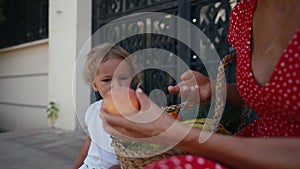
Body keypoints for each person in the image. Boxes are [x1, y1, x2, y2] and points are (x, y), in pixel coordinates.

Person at [100, 0, 300, 168]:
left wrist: (177, 135)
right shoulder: (243, 14)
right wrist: (215, 89)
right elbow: (266, 99)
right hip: (250, 146)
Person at [72, 43, 135, 169]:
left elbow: (140, 154)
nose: (116, 85)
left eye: (122, 78)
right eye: (106, 80)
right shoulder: (93, 111)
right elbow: (90, 141)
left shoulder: (135, 112)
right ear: (95, 85)